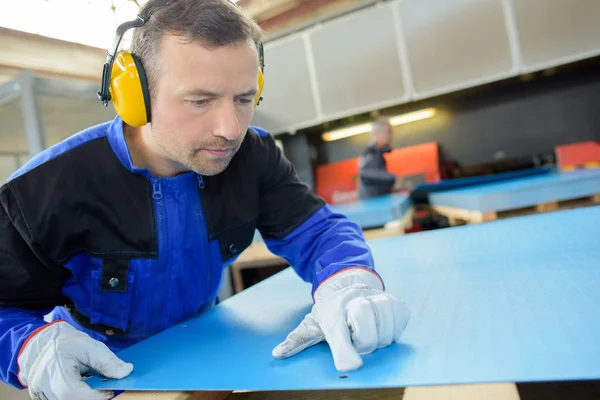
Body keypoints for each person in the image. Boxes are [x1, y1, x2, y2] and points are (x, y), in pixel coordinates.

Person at [0, 1, 410, 399]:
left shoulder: (254, 156)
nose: (230, 129)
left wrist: (349, 282)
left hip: (207, 356)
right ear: (135, 95)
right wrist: (30, 349)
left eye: (244, 99)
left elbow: (318, 232)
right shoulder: (43, 190)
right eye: (200, 100)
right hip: (98, 375)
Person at [357, 119, 402, 199]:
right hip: (373, 205)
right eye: (388, 132)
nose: (390, 136)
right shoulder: (370, 153)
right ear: (376, 134)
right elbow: (366, 174)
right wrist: (392, 178)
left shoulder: (378, 154)